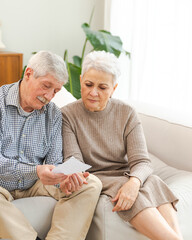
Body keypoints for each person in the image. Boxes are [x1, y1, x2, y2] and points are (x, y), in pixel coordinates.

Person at [0, 51, 102, 240]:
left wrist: (62, 179)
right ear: (28, 74)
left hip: (34, 184)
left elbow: (54, 162)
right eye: (46, 86)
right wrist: (36, 171)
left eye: (55, 91)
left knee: (90, 183)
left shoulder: (53, 114)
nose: (48, 96)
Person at [62, 51, 182, 240]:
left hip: (124, 174)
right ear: (81, 79)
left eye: (102, 87)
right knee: (123, 187)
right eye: (88, 84)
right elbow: (75, 161)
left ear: (113, 88)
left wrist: (134, 182)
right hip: (93, 176)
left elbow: (142, 161)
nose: (93, 92)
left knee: (153, 181)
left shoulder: (126, 113)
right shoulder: (67, 115)